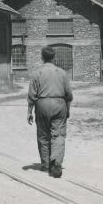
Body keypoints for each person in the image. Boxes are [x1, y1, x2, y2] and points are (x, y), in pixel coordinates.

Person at [27, 46, 73, 178]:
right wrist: (67, 110)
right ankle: (56, 162)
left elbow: (32, 95)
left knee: (43, 135)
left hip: (41, 104)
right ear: (54, 57)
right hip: (59, 104)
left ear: (42, 57)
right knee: (58, 135)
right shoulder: (62, 73)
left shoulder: (36, 73)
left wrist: (29, 111)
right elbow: (68, 95)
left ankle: (46, 164)